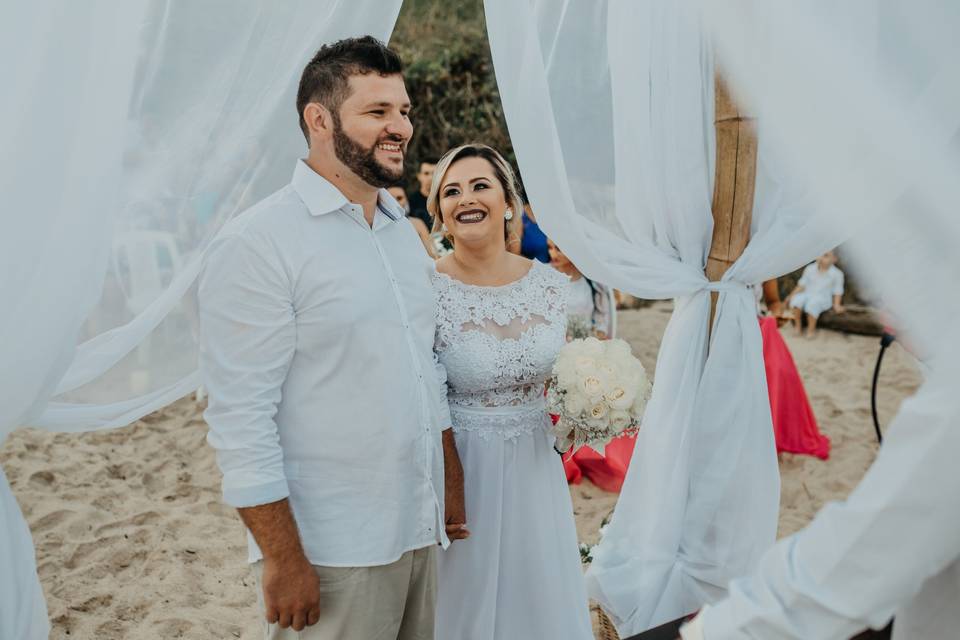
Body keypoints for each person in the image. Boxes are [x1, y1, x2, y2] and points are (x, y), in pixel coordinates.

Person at [198, 36, 466, 640]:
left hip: (421, 530)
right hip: (335, 548)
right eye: (378, 112)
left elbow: (423, 364)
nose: (400, 127)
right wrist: (283, 558)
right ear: (318, 121)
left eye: (404, 111)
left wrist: (448, 478)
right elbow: (240, 418)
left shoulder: (402, 232)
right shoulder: (260, 243)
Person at [428, 143, 594, 639]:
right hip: (462, 467)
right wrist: (446, 480)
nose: (466, 199)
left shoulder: (549, 286)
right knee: (465, 601)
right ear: (438, 213)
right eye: (451, 192)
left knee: (536, 598)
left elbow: (566, 377)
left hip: (536, 467)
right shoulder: (424, 287)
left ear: (507, 202)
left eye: (480, 185)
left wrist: (588, 406)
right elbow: (421, 390)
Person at [546, 238, 630, 491]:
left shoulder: (593, 284)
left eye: (559, 248)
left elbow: (603, 320)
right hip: (556, 353)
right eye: (550, 247)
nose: (553, 254)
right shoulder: (546, 279)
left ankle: (588, 452)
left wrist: (597, 337)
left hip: (585, 352)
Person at [757, 279, 831, 459]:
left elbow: (773, 302)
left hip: (757, 327)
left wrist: (776, 315)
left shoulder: (761, 259)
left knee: (780, 371)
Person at [786, 250, 846, 337]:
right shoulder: (810, 268)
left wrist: (836, 305)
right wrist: (791, 296)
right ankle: (798, 327)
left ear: (834, 259)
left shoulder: (837, 274)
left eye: (825, 255)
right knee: (797, 300)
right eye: (819, 254)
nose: (821, 257)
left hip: (823, 298)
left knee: (812, 304)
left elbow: (838, 291)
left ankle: (811, 330)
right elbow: (801, 285)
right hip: (807, 294)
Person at [388, 184, 435, 258]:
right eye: (390, 198)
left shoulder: (417, 223)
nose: (395, 202)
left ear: (406, 200)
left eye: (399, 198)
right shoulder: (375, 225)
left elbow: (432, 253)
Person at [408, 157, 437, 229]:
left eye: (434, 173)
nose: (430, 177)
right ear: (419, 176)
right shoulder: (411, 202)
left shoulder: (446, 199)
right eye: (426, 173)